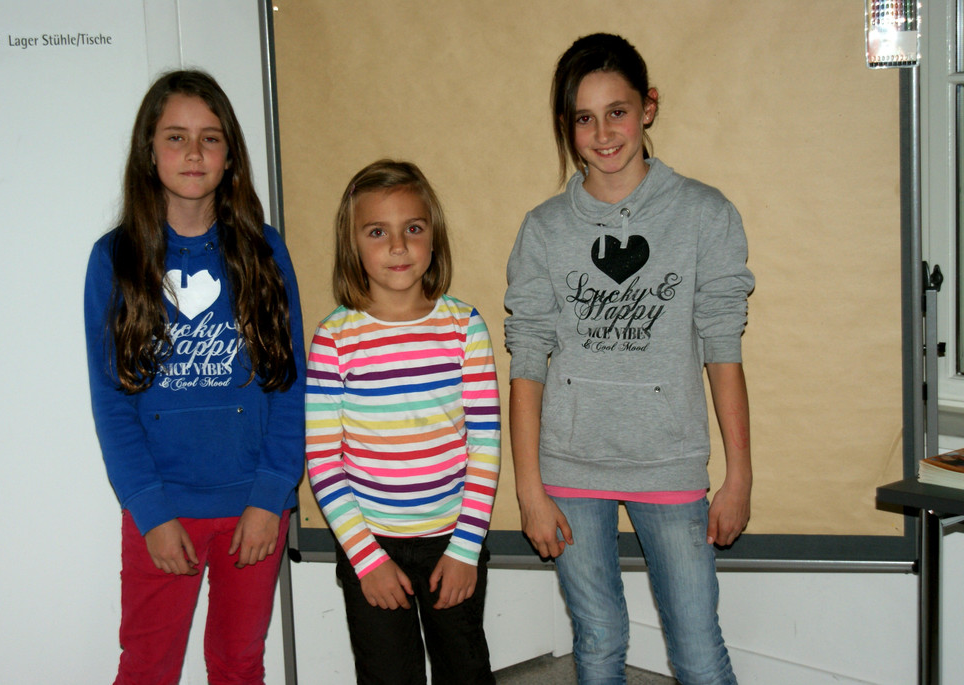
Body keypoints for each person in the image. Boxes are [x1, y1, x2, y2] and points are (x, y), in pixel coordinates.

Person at [504, 33, 753, 685]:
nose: (602, 133)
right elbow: (527, 360)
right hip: (569, 468)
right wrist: (529, 489)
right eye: (583, 118)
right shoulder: (545, 229)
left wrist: (739, 476)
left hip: (668, 460)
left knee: (697, 648)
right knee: (598, 642)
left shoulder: (703, 214)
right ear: (568, 126)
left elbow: (723, 348)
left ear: (649, 107)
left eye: (616, 111)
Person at [84, 69, 305, 685]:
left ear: (230, 155)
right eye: (175, 137)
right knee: (148, 667)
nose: (193, 153)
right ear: (149, 151)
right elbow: (111, 403)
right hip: (163, 511)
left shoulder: (264, 251)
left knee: (238, 663)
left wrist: (271, 496)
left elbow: (289, 386)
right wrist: (151, 511)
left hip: (253, 510)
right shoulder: (115, 260)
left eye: (210, 138)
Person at [306, 160, 500, 685]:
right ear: (352, 245)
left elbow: (484, 445)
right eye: (377, 232)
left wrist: (465, 549)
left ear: (433, 237)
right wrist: (366, 559)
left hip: (453, 541)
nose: (398, 246)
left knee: (466, 672)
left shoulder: (464, 327)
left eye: (413, 228)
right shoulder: (334, 339)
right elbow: (324, 462)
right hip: (371, 543)